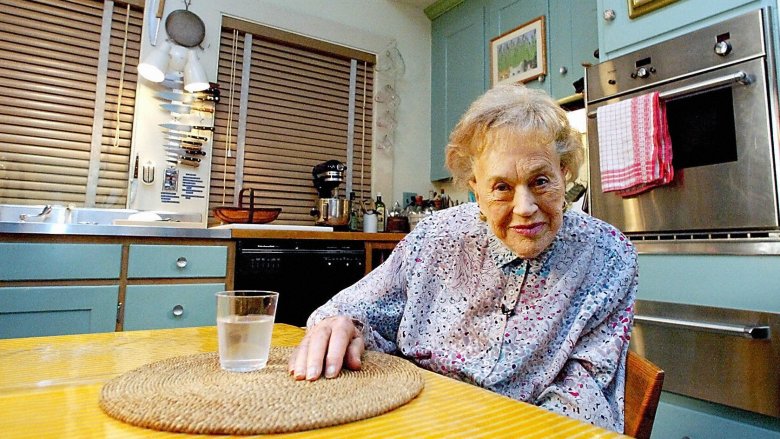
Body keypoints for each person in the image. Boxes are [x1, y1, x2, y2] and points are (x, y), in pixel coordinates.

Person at [288, 84, 638, 433]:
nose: (525, 208)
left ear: (564, 172)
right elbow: (358, 309)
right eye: (501, 187)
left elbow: (581, 402)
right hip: (411, 421)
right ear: (475, 186)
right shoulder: (437, 236)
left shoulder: (607, 256)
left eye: (541, 180)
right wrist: (341, 323)